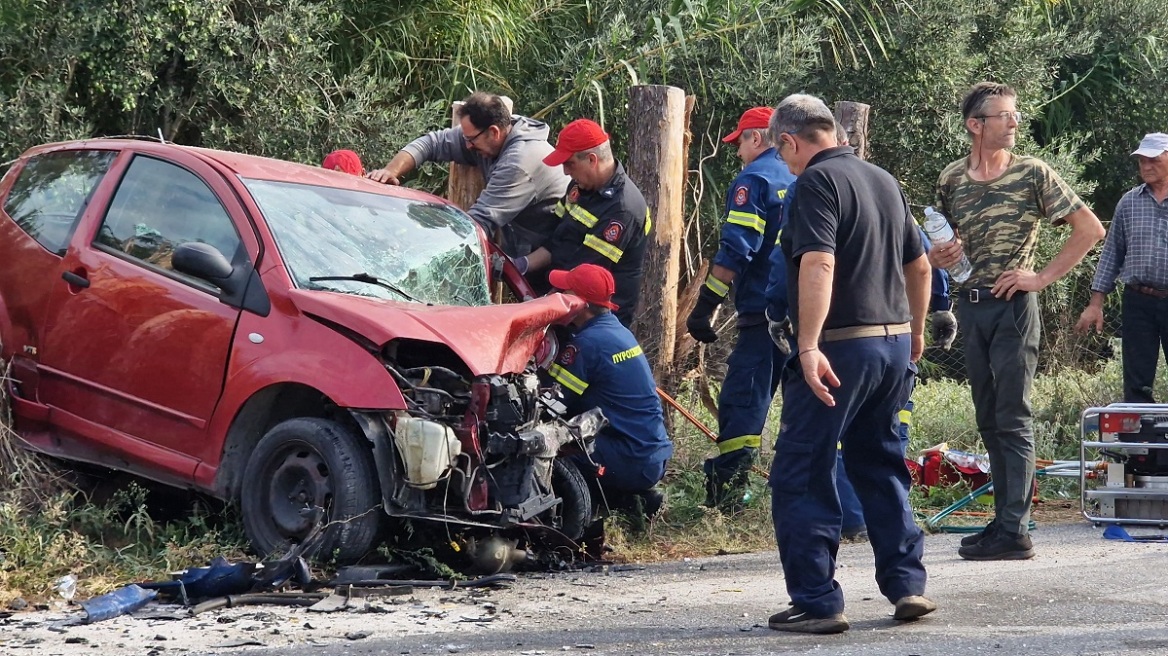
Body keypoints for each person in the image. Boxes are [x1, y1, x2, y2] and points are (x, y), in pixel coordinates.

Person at [765, 93, 934, 634]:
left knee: (803, 469)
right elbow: (922, 265)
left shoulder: (815, 182)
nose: (786, 164)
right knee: (880, 464)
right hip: (891, 345)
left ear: (791, 141)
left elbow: (818, 260)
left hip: (841, 347)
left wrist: (808, 345)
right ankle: (907, 586)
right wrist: (916, 334)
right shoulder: (883, 179)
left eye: (783, 153)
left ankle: (817, 601)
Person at [931, 82, 1104, 561]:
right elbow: (946, 245)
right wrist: (940, 255)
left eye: (1015, 114)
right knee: (988, 415)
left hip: (1012, 308)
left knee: (1013, 415)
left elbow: (1089, 228)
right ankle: (1003, 520)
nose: (1014, 122)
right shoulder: (951, 179)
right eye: (1004, 115)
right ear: (975, 125)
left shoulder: (1032, 172)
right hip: (971, 304)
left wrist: (1041, 277)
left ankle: (1016, 529)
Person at [683, 106, 795, 509]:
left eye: (739, 142)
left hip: (762, 317)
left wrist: (704, 306)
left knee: (743, 403)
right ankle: (804, 492)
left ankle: (730, 496)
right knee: (803, 405)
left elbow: (736, 250)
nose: (736, 153)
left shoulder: (754, 180)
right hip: (806, 317)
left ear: (757, 138)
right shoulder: (800, 176)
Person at [367, 91, 569, 256]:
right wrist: (390, 171)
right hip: (524, 239)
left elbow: (478, 223)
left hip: (552, 250)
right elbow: (431, 143)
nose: (466, 146)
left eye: (471, 140)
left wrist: (421, 246)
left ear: (494, 132)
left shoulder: (519, 163)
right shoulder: (487, 135)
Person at [545, 264, 673, 515]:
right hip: (650, 454)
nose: (556, 296)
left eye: (563, 292)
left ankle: (577, 517)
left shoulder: (587, 344)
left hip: (627, 458)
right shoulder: (617, 332)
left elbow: (552, 405)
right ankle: (627, 502)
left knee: (546, 450)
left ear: (578, 303)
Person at [511, 119, 650, 327]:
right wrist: (522, 265)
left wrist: (539, 310)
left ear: (592, 160)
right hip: (564, 295)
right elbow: (555, 240)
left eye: (570, 163)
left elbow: (585, 272)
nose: (565, 171)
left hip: (595, 316)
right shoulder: (579, 187)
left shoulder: (622, 209)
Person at [1075, 132, 1168, 403]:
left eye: (1153, 160)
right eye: (1141, 161)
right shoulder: (1129, 202)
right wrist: (1095, 304)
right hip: (1139, 300)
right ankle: (1140, 443)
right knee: (1137, 381)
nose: (1146, 167)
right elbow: (1112, 253)